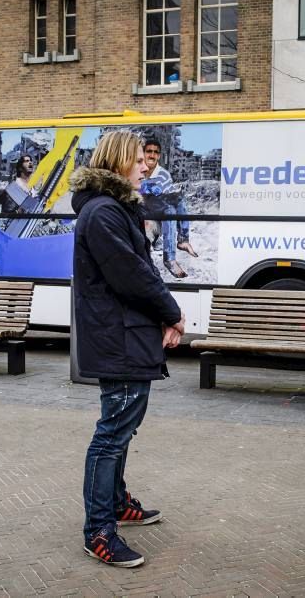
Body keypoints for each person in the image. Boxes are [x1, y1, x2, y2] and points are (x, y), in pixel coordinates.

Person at [71, 130, 186, 568]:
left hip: (127, 333)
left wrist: (161, 315)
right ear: (119, 162)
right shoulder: (103, 213)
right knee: (112, 433)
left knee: (122, 429)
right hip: (118, 337)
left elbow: (140, 271)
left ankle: (116, 504)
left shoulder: (115, 209)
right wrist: (171, 312)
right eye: (139, 160)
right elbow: (131, 275)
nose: (145, 166)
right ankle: (99, 530)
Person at [139, 139, 198, 279]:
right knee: (171, 206)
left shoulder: (164, 174)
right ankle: (181, 242)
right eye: (149, 151)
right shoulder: (137, 168)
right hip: (140, 208)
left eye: (155, 152)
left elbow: (167, 199)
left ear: (159, 156)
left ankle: (171, 256)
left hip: (157, 209)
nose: (152, 155)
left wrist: (162, 193)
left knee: (174, 205)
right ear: (143, 153)